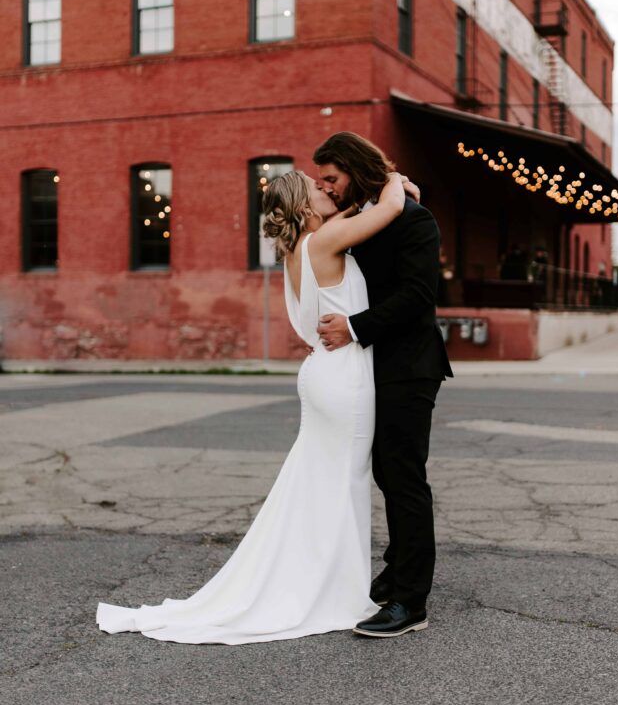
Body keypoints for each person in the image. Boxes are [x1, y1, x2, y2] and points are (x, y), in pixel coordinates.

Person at [96, 168, 407, 645]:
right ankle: (337, 591)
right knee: (343, 484)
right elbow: (388, 210)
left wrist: (344, 207)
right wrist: (394, 179)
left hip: (322, 372)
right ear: (305, 209)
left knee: (318, 482)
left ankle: (322, 578)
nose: (327, 190)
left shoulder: (300, 249)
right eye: (317, 188)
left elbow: (344, 219)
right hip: (344, 377)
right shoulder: (326, 243)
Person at [314, 132, 452, 639]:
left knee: (403, 477)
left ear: (354, 169)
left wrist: (353, 328)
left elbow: (418, 296)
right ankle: (396, 572)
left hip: (410, 366)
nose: (326, 187)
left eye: (332, 177)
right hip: (371, 367)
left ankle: (410, 602)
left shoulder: (416, 219)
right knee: (385, 473)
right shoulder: (362, 218)